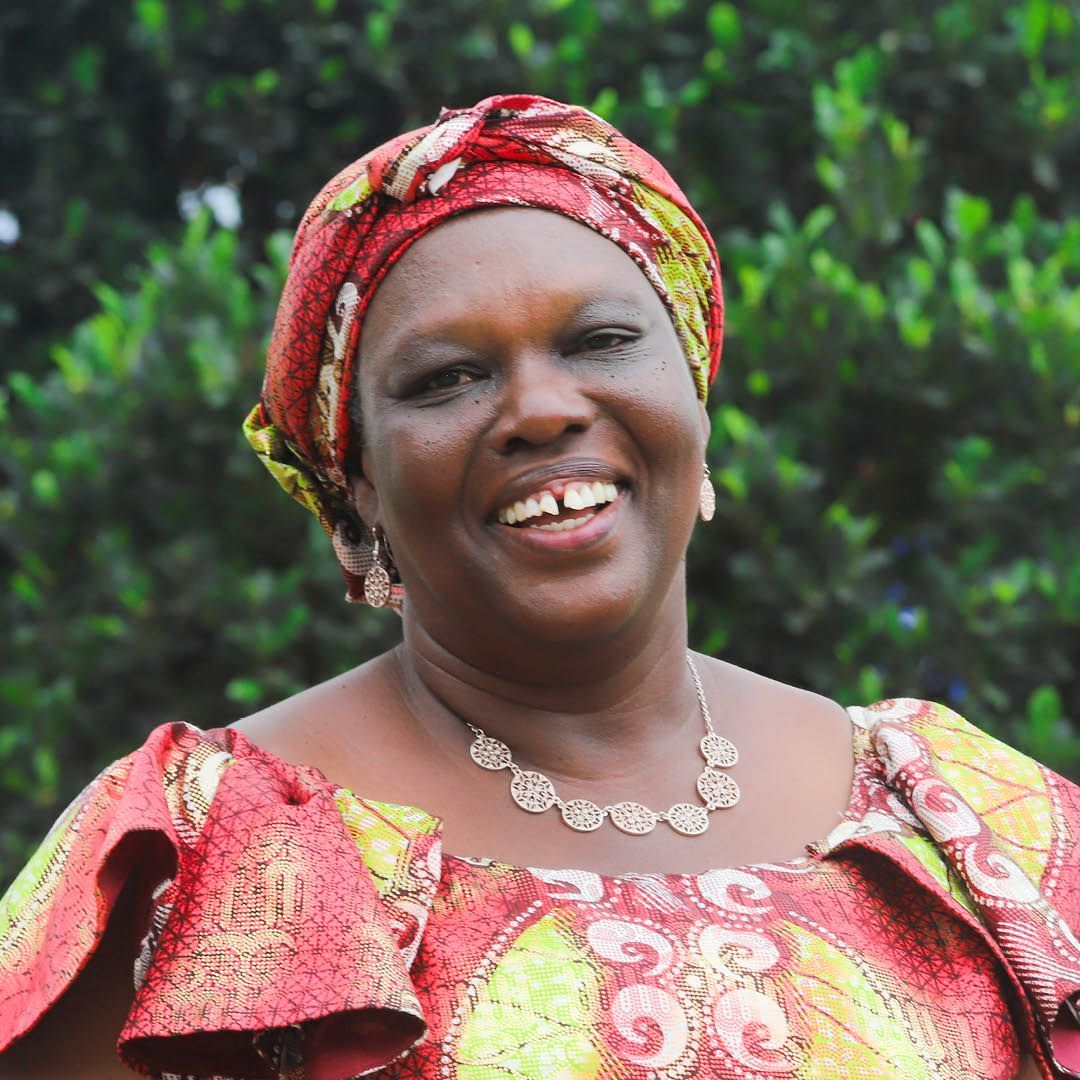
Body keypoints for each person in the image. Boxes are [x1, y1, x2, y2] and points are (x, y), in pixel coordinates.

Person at [0, 93, 1075, 1080]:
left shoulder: (963, 826)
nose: (544, 409)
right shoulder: (209, 858)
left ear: (695, 405)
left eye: (602, 340)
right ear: (357, 485)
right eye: (447, 379)